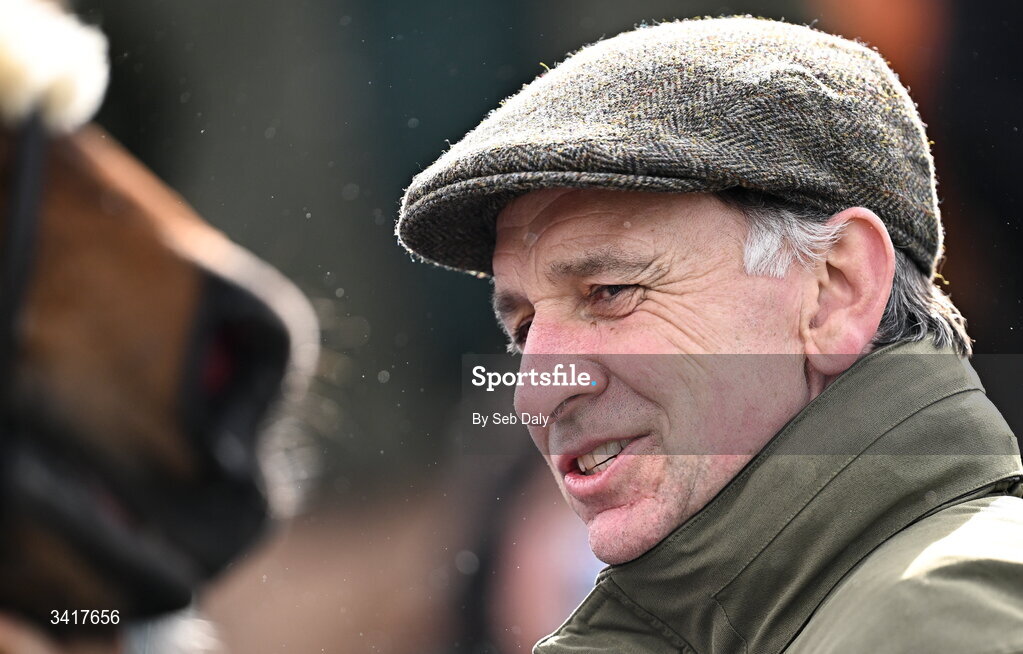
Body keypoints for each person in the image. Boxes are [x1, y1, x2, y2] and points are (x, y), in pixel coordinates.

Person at [396, 16, 1023, 654]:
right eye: (524, 328)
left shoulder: (935, 620)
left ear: (837, 290)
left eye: (610, 292)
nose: (536, 392)